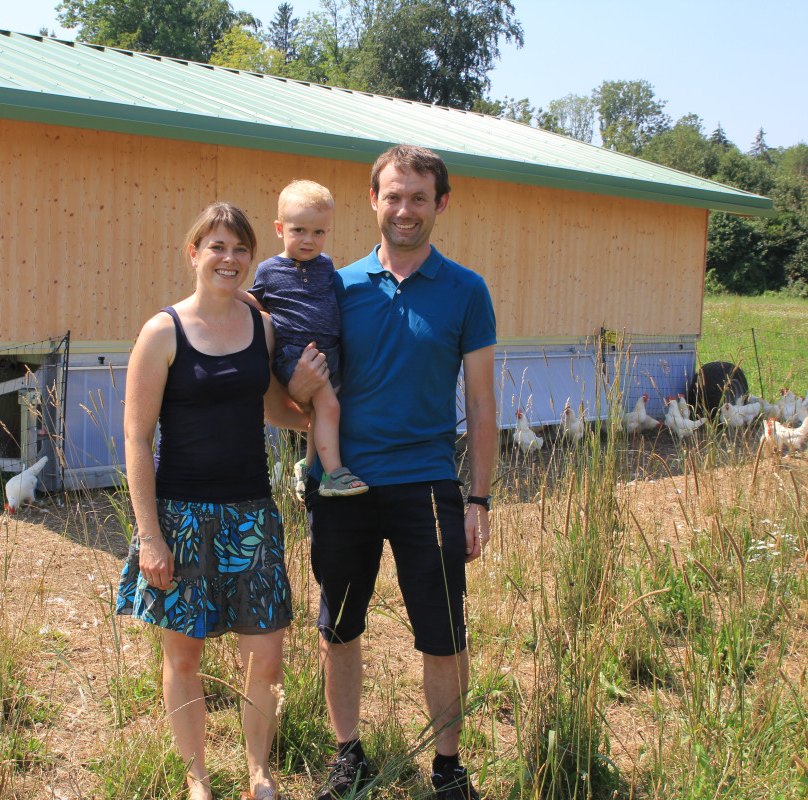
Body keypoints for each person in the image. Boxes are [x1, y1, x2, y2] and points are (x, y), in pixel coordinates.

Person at [295, 145, 497, 800]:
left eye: (417, 197)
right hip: (344, 486)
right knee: (340, 625)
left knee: (442, 634)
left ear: (440, 203)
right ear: (373, 201)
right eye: (393, 195)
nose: (404, 208)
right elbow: (302, 394)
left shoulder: (467, 291)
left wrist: (480, 498)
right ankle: (346, 753)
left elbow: (484, 404)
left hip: (428, 485)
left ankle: (447, 765)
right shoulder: (337, 286)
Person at [116, 202, 322, 800]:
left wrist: (317, 415)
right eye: (217, 247)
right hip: (182, 518)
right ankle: (197, 777)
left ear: (252, 258)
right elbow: (136, 436)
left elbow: (266, 406)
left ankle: (259, 772)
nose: (229, 259)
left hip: (252, 514)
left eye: (240, 249)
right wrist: (150, 535)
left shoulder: (260, 325)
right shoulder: (163, 332)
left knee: (268, 657)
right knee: (184, 660)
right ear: (194, 254)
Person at [245, 179, 367, 499]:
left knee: (319, 413)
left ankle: (308, 467)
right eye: (299, 230)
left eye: (319, 232)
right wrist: (226, 298)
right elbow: (256, 302)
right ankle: (334, 474)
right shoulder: (269, 269)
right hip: (296, 353)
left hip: (330, 351)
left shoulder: (325, 265)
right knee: (328, 406)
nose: (309, 240)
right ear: (279, 228)